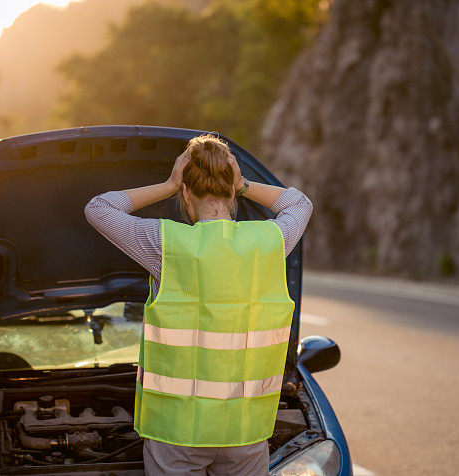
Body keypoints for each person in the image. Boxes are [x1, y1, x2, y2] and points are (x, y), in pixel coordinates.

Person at [83, 133, 312, 475]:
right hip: (245, 428)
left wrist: (168, 184)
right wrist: (245, 183)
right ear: (232, 192)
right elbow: (300, 204)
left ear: (186, 193)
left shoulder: (166, 244)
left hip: (176, 431)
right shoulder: (270, 242)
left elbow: (99, 208)